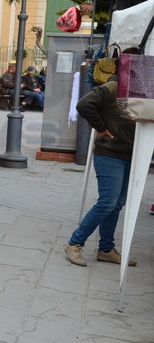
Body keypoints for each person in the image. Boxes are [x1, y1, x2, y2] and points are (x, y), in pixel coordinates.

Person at [64, 50, 139, 268]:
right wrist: (102, 128)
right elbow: (83, 105)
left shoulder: (134, 88)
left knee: (117, 204)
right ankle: (74, 243)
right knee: (107, 202)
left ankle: (106, 249)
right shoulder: (114, 86)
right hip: (110, 153)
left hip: (127, 153)